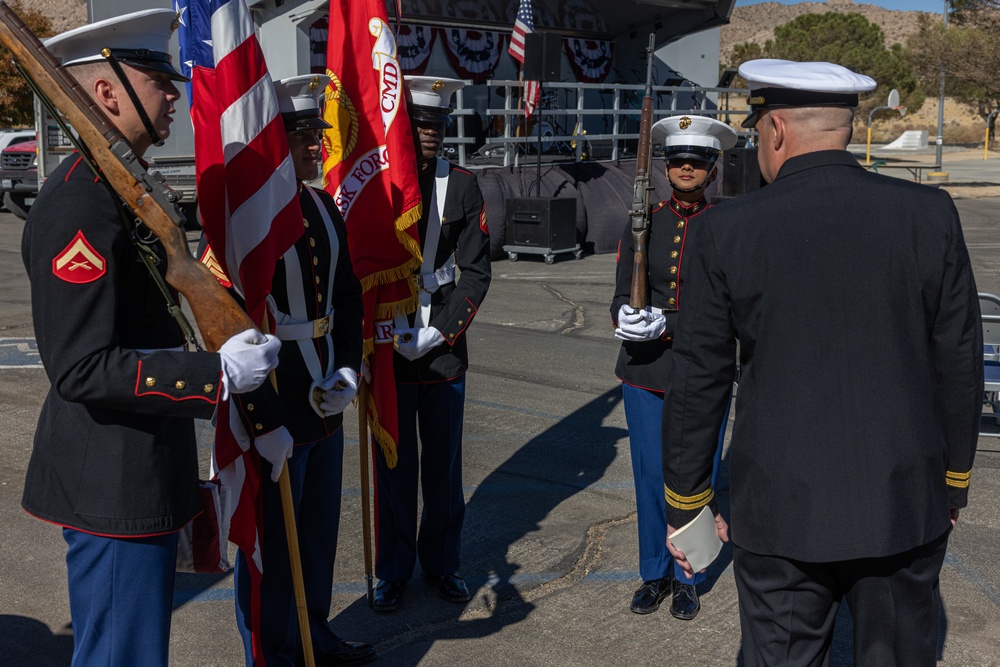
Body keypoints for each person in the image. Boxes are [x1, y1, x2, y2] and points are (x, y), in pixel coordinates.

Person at [662, 59, 982, 666]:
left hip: (780, 510)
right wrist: (953, 483)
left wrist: (688, 501)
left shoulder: (724, 230)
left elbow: (699, 379)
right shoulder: (929, 214)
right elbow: (958, 361)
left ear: (776, 130)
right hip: (905, 503)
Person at [20, 10, 281, 667]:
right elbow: (81, 366)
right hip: (111, 480)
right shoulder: (79, 204)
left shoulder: (122, 190)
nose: (176, 94)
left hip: (138, 468)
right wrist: (211, 374)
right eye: (159, 80)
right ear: (107, 93)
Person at [220, 75, 374, 667]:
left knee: (314, 538)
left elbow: (348, 297)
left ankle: (315, 635)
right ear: (275, 142)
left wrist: (348, 372)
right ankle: (272, 651)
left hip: (323, 398)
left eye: (319, 133)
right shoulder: (249, 219)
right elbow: (229, 325)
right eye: (305, 135)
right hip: (275, 407)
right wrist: (262, 420)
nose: (319, 146)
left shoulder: (321, 205)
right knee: (271, 548)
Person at [371, 75, 492, 612]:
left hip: (442, 352)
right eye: (421, 125)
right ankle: (392, 571)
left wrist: (440, 331)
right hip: (390, 349)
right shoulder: (378, 185)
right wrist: (383, 332)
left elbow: (475, 273)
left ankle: (442, 564)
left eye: (439, 125)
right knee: (394, 472)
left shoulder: (462, 186)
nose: (432, 134)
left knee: (443, 471)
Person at [611, 115, 737, 619]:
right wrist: (624, 315)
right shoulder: (644, 219)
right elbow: (623, 289)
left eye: (697, 161)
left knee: (697, 477)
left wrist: (668, 324)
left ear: (711, 168)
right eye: (678, 160)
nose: (686, 168)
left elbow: (729, 310)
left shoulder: (726, 227)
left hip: (703, 371)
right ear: (665, 166)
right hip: (646, 370)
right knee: (647, 474)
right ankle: (654, 572)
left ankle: (691, 574)